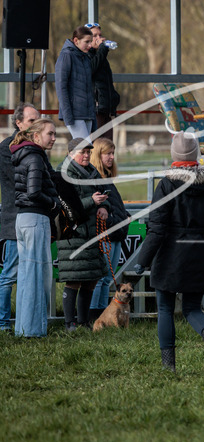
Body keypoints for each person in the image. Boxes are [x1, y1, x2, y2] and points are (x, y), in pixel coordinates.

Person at [128, 132, 204, 373]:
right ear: (195, 155)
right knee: (193, 308)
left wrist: (142, 262)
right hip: (201, 253)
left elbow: (157, 229)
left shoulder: (166, 185)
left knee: (165, 309)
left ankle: (169, 367)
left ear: (173, 155)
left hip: (171, 255)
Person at [10, 118, 59, 337]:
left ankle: (23, 328)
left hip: (23, 219)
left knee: (27, 276)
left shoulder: (22, 155)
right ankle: (33, 331)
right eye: (51, 133)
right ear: (36, 136)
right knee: (38, 277)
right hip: (35, 218)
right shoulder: (35, 157)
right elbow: (34, 192)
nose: (54, 138)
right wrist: (54, 203)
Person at [56, 138, 110, 331]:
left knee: (91, 279)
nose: (86, 155)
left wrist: (104, 206)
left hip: (92, 234)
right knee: (74, 280)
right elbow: (66, 206)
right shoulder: (63, 173)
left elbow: (103, 194)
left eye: (88, 152)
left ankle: (84, 322)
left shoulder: (92, 172)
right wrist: (91, 202)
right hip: (74, 234)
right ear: (71, 153)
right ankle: (69, 323)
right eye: (82, 152)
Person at [0, 103, 41, 331]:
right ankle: (3, 323)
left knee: (29, 273)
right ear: (18, 123)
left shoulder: (35, 147)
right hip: (15, 218)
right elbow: (19, 183)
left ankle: (27, 321)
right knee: (9, 274)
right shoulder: (6, 149)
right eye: (31, 120)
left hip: (31, 216)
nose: (35, 123)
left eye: (38, 119)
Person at [88, 137, 130, 321]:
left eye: (113, 153)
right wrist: (115, 220)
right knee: (99, 279)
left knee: (106, 279)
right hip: (106, 234)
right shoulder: (95, 179)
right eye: (108, 153)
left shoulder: (107, 179)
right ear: (98, 155)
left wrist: (124, 217)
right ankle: (94, 316)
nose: (112, 157)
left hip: (116, 234)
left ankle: (103, 316)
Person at [55, 25, 98, 140]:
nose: (90, 45)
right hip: (75, 114)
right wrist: (68, 115)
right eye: (87, 42)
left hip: (87, 113)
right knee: (84, 148)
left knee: (84, 150)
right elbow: (61, 87)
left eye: (91, 42)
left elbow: (89, 88)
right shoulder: (66, 56)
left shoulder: (85, 57)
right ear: (76, 41)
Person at [86, 22, 120, 130]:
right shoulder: (85, 55)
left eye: (100, 35)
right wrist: (102, 49)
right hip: (95, 109)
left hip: (106, 108)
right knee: (98, 144)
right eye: (95, 35)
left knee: (107, 145)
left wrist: (114, 97)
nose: (99, 38)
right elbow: (90, 69)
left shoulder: (101, 56)